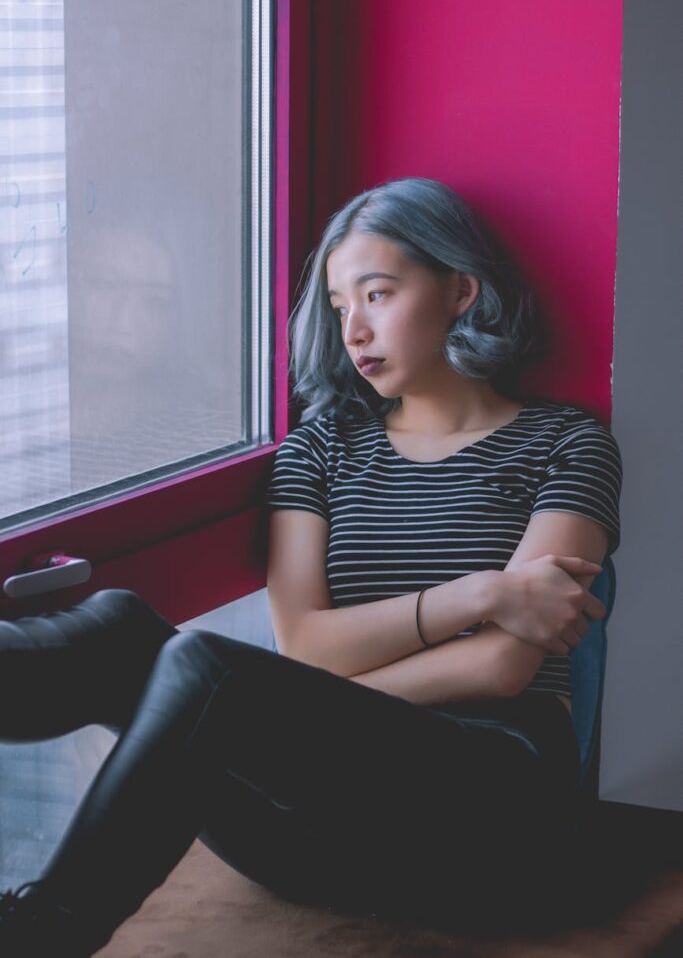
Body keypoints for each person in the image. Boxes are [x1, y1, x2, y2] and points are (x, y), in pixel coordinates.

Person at [0, 177, 622, 955]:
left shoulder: (567, 444)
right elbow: (305, 645)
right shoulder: (320, 450)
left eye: (378, 294)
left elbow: (500, 665)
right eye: (337, 305)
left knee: (203, 671)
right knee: (120, 625)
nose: (354, 329)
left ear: (460, 289)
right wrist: (480, 591)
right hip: (310, 834)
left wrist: (281, 701)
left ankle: (39, 936)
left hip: (489, 817)